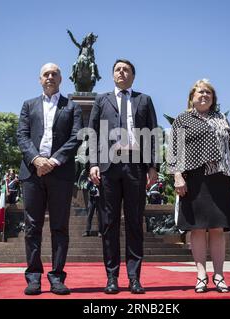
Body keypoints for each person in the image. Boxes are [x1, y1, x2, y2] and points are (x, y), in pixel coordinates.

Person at [88, 59, 159, 294]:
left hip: (135, 166)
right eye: (118, 69)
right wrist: (93, 164)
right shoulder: (102, 99)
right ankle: (111, 277)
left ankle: (134, 278)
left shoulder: (144, 100)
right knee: (109, 224)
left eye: (126, 69)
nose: (122, 72)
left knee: (134, 223)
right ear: (112, 75)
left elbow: (153, 134)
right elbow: (93, 134)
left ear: (133, 75)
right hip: (108, 166)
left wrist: (153, 167)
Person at [168, 79, 230, 293]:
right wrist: (177, 177)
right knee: (197, 229)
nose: (204, 95)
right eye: (200, 92)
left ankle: (219, 275)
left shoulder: (222, 118)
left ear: (213, 98)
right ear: (192, 97)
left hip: (221, 177)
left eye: (208, 93)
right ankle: (201, 274)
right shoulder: (183, 119)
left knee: (218, 228)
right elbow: (174, 150)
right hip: (194, 178)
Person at [17, 63, 83, 295]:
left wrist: (53, 161)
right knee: (32, 227)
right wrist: (36, 160)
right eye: (46, 74)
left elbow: (77, 137)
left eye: (54, 74)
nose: (50, 77)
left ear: (61, 79)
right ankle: (33, 278)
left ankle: (57, 277)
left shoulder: (72, 107)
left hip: (60, 173)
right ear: (40, 79)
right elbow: (22, 136)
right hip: (32, 173)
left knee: (59, 227)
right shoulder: (28, 105)